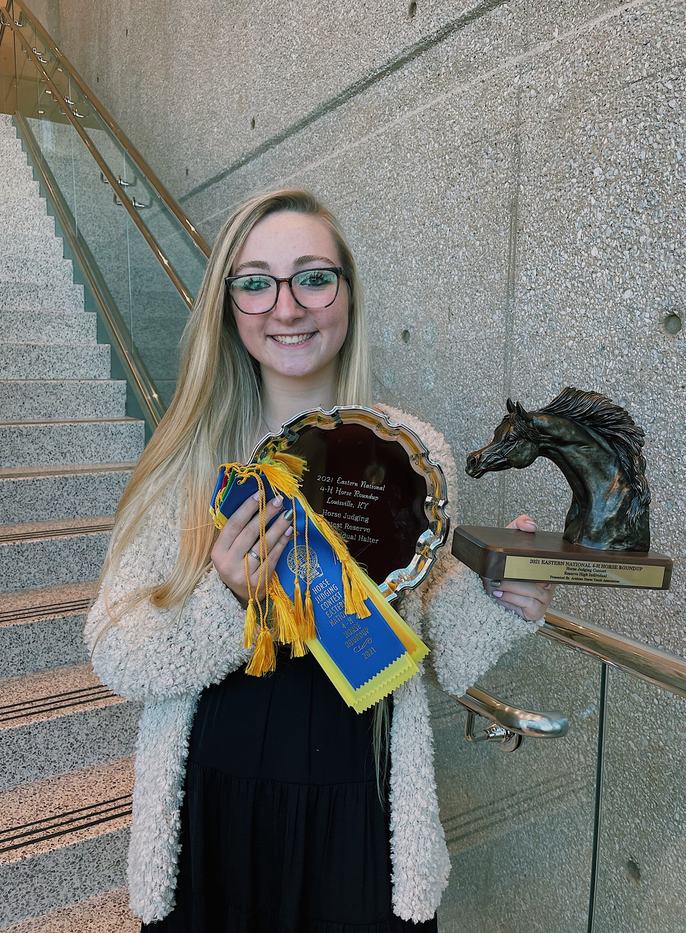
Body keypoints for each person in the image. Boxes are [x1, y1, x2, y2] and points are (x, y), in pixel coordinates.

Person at [84, 188, 554, 932]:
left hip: (359, 804)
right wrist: (227, 598)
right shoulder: (186, 456)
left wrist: (505, 599)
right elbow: (116, 651)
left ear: (347, 293)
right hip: (210, 808)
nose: (287, 306)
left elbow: (433, 639)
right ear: (229, 304)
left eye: (312, 276)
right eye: (255, 281)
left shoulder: (408, 452)